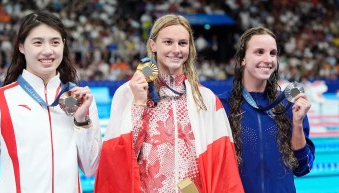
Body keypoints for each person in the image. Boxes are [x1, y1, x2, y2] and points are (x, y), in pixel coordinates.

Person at [94, 14, 244, 193]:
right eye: (168, 42)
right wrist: (140, 104)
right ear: (153, 45)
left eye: (182, 43)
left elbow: (222, 163)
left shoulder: (205, 98)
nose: (176, 49)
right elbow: (119, 159)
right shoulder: (128, 93)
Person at [0, 11, 101, 193]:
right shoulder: (1, 100)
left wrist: (81, 119)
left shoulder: (80, 99)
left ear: (63, 45)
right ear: (21, 46)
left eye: (55, 42)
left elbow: (91, 168)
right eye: (37, 42)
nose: (47, 51)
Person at [218, 27, 315, 193]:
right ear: (242, 58)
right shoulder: (221, 105)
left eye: (273, 53)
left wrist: (298, 123)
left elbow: (302, 168)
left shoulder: (288, 104)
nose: (268, 59)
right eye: (259, 52)